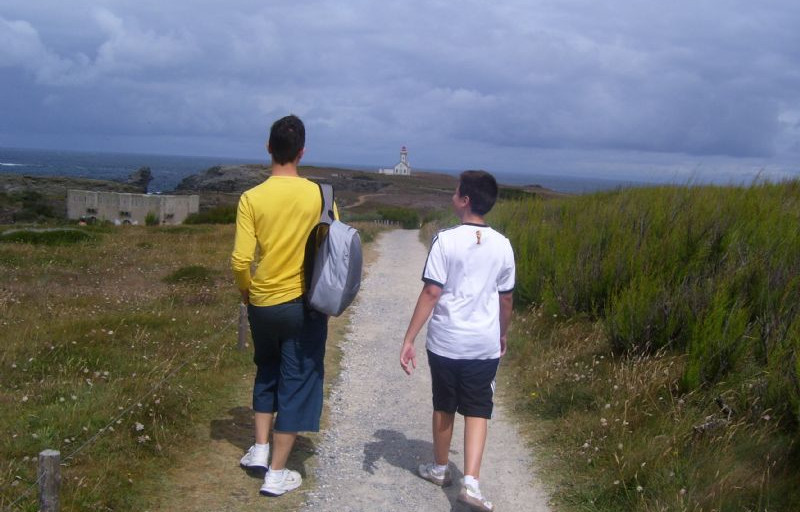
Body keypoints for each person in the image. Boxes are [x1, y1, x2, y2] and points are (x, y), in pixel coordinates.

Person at [400, 170, 515, 512]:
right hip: (483, 343)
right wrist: (502, 333)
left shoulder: (445, 240)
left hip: (446, 342)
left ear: (465, 201)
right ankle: (472, 484)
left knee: (444, 404)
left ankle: (439, 469)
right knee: (479, 408)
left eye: (455, 192)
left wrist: (409, 338)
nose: (452, 196)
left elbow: (432, 292)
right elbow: (506, 299)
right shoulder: (503, 245)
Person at [231, 114, 329, 497]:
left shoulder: (251, 198)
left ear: (268, 148)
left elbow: (241, 260)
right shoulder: (319, 195)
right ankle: (276, 473)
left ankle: (260, 448)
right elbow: (331, 246)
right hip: (304, 304)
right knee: (298, 380)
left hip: (262, 302)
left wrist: (247, 291)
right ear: (302, 152)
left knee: (267, 369)